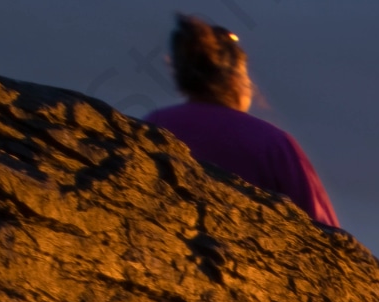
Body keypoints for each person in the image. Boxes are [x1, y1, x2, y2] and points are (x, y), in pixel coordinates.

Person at [143, 16, 341, 228]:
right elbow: (327, 235)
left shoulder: (154, 125)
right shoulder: (272, 143)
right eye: (246, 76)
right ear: (234, 78)